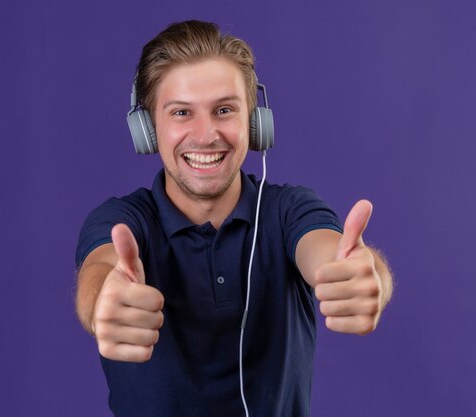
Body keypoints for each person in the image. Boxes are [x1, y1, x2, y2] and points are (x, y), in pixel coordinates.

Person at [75, 20, 393, 417]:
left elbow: (330, 253)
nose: (206, 135)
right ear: (148, 129)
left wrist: (365, 274)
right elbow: (99, 270)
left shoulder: (288, 209)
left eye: (224, 110)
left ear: (255, 123)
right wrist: (104, 301)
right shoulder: (122, 219)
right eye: (181, 113)